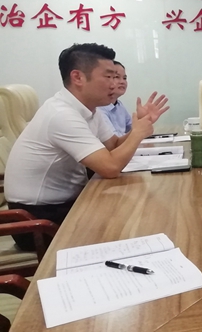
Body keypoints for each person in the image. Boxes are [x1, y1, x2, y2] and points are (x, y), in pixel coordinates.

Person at [4, 43, 169, 250]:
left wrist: (139, 126)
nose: (115, 84)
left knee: (140, 210)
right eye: (108, 77)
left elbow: (113, 146)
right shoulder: (61, 114)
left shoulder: (90, 110)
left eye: (117, 77)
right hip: (37, 220)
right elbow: (110, 168)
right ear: (78, 77)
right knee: (135, 222)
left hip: (67, 204)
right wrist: (137, 134)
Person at [98, 61, 132, 135]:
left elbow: (132, 130)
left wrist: (143, 119)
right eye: (116, 77)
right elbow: (115, 139)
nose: (122, 82)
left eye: (124, 78)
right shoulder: (98, 108)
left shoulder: (119, 105)